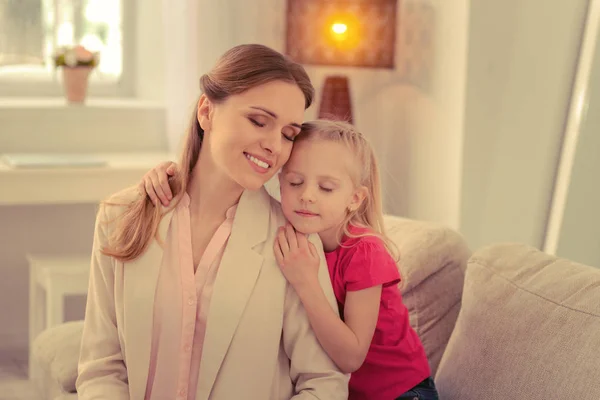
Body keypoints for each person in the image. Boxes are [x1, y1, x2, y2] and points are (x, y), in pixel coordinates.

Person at [76, 44, 349, 400]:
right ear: (207, 111)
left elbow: (324, 382)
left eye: (288, 134)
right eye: (258, 121)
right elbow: (101, 367)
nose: (274, 145)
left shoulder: (294, 242)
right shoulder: (120, 215)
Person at [143, 120, 439, 400]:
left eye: (326, 188)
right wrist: (170, 174)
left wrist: (306, 282)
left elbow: (351, 357)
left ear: (355, 198)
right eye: (295, 182)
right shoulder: (285, 233)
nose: (307, 196)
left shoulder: (366, 252)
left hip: (401, 392)